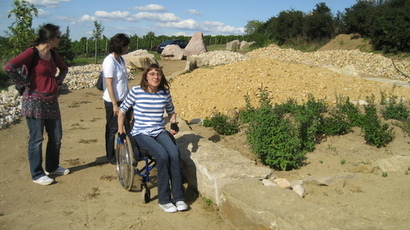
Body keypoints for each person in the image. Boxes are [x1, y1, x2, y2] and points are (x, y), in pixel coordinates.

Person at [117, 64, 188, 213]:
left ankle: (179, 197)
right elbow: (122, 111)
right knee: (162, 155)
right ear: (146, 76)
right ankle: (164, 199)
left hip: (158, 130)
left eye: (158, 74)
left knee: (174, 153)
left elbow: (171, 111)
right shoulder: (136, 91)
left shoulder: (164, 93)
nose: (156, 77)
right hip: (141, 132)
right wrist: (121, 131)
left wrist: (173, 124)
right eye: (152, 74)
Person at [3, 24, 69, 185]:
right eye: (58, 36)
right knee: (37, 138)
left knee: (56, 137)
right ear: (50, 38)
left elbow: (64, 69)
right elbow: (9, 67)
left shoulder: (53, 54)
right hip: (33, 102)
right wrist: (24, 83)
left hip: (51, 101)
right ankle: (37, 173)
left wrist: (57, 82)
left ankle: (52, 167)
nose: (60, 39)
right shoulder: (32, 52)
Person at [102, 33, 133, 165]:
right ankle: (111, 155)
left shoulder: (121, 59)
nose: (128, 48)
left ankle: (130, 151)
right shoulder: (109, 61)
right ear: (120, 46)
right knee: (113, 128)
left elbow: (123, 81)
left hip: (124, 98)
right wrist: (115, 104)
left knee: (128, 125)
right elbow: (109, 84)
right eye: (126, 46)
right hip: (113, 100)